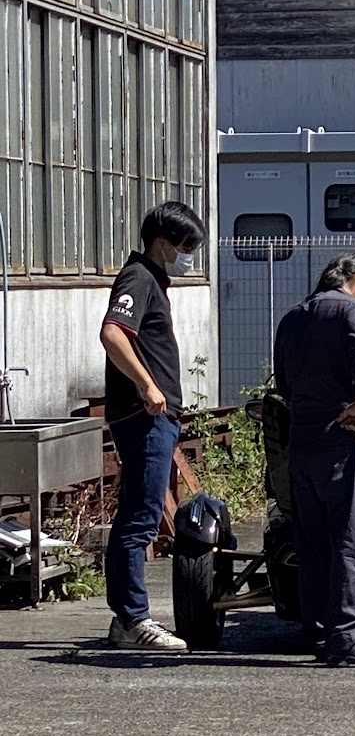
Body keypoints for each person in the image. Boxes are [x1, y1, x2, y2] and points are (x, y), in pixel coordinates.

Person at [272, 252, 355, 668]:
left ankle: (321, 631)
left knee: (312, 541)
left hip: (302, 438)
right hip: (344, 437)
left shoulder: (293, 317)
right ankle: (348, 636)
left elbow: (283, 379)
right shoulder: (354, 311)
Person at [100, 201, 206, 651]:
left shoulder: (151, 281)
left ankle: (127, 617)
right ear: (162, 243)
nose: (189, 256)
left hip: (153, 416)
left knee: (136, 514)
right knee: (141, 519)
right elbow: (112, 333)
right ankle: (133, 620)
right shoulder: (139, 278)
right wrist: (147, 385)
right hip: (145, 416)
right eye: (186, 247)